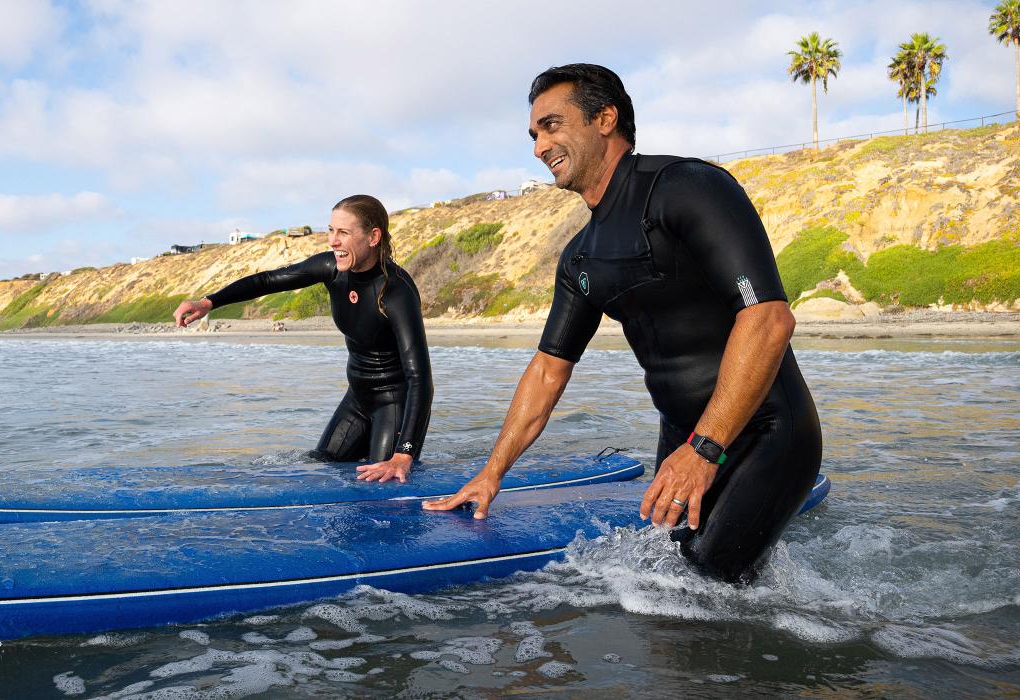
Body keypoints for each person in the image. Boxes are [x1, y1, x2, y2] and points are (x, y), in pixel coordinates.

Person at [423, 64, 822, 584]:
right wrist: (490, 475)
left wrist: (704, 449)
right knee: (665, 579)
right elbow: (548, 370)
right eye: (534, 134)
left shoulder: (687, 187)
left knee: (698, 587)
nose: (539, 147)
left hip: (767, 429)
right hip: (683, 438)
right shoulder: (581, 257)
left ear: (605, 118)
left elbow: (768, 317)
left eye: (551, 125)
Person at [174, 195, 433, 484]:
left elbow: (419, 378)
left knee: (382, 487)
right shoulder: (332, 269)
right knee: (323, 468)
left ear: (373, 237)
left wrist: (404, 453)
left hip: (393, 403)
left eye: (343, 232)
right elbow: (268, 280)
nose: (333, 240)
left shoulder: (396, 291)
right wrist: (208, 303)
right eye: (331, 230)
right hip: (358, 398)